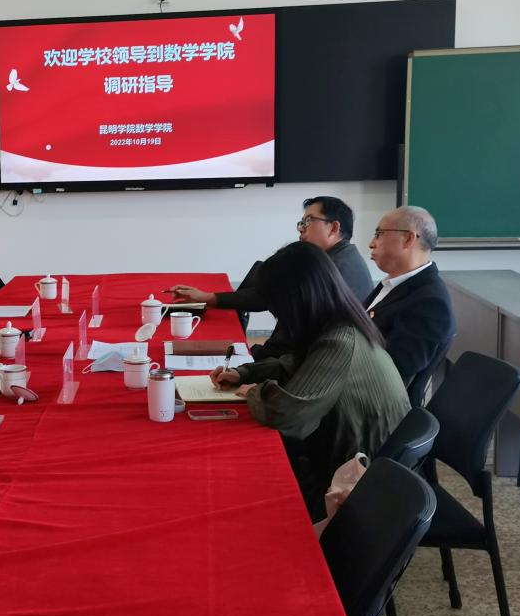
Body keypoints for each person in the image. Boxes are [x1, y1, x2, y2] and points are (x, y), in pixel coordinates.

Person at [210, 242, 409, 519]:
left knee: (238, 487)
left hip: (356, 479)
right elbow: (293, 363)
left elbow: (284, 414)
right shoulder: (339, 324)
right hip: (351, 454)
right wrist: (244, 373)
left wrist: (254, 390)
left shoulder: (339, 342)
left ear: (297, 301)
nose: (277, 316)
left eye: (277, 306)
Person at [168, 196, 374, 359]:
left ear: (334, 228)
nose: (301, 229)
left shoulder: (332, 270)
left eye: (309, 221)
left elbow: (289, 340)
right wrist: (208, 298)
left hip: (308, 363)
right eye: (301, 223)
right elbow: (269, 296)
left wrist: (251, 360)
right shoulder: (339, 259)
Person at [366, 205, 455, 405]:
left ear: (408, 239)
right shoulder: (392, 283)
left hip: (374, 409)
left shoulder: (430, 303)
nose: (372, 243)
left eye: (379, 234)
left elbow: (389, 376)